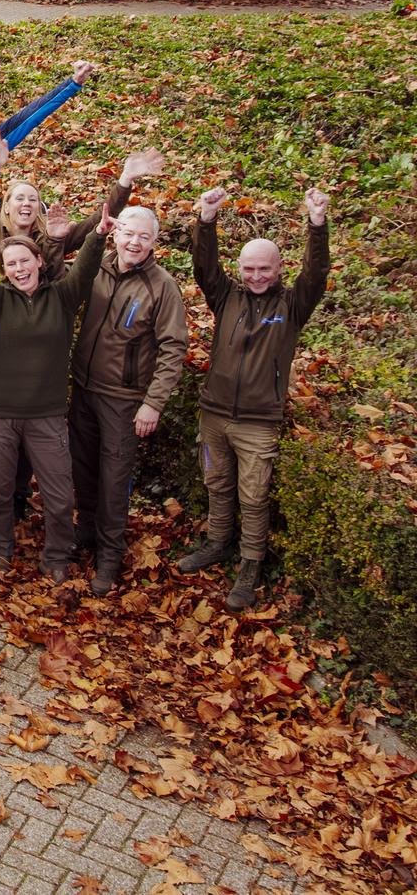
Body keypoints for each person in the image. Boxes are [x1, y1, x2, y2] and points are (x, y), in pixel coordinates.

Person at [177, 187, 330, 610]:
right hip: (214, 416)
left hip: (259, 422)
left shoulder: (293, 304)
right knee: (217, 484)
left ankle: (250, 565)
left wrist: (317, 223)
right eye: (249, 268)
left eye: (264, 268)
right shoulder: (227, 297)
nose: (257, 276)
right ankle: (216, 543)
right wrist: (206, 218)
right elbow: (204, 268)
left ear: (280, 267)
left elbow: (316, 274)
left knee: (253, 495)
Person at [0, 223, 108, 579]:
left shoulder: (63, 297)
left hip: (47, 415)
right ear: (5, 270)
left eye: (24, 261)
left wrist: (98, 235)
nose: (19, 269)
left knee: (59, 496)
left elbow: (86, 268)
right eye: (11, 264)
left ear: (39, 261)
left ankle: (56, 556)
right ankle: (3, 551)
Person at [68, 203, 187, 595]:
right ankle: (85, 530)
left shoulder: (162, 286)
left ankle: (109, 555)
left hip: (124, 400)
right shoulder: (97, 267)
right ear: (115, 233)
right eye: (128, 233)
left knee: (114, 480)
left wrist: (153, 402)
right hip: (84, 388)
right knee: (83, 468)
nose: (135, 242)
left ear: (155, 242)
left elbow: (173, 348)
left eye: (144, 237)